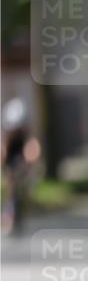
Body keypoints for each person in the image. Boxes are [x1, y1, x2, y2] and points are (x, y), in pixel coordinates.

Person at [2, 98, 40, 236]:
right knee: (11, 188)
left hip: (22, 160)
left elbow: (32, 147)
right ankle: (9, 215)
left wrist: (30, 162)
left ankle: (22, 210)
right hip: (11, 161)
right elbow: (4, 150)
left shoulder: (26, 133)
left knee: (22, 187)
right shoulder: (8, 135)